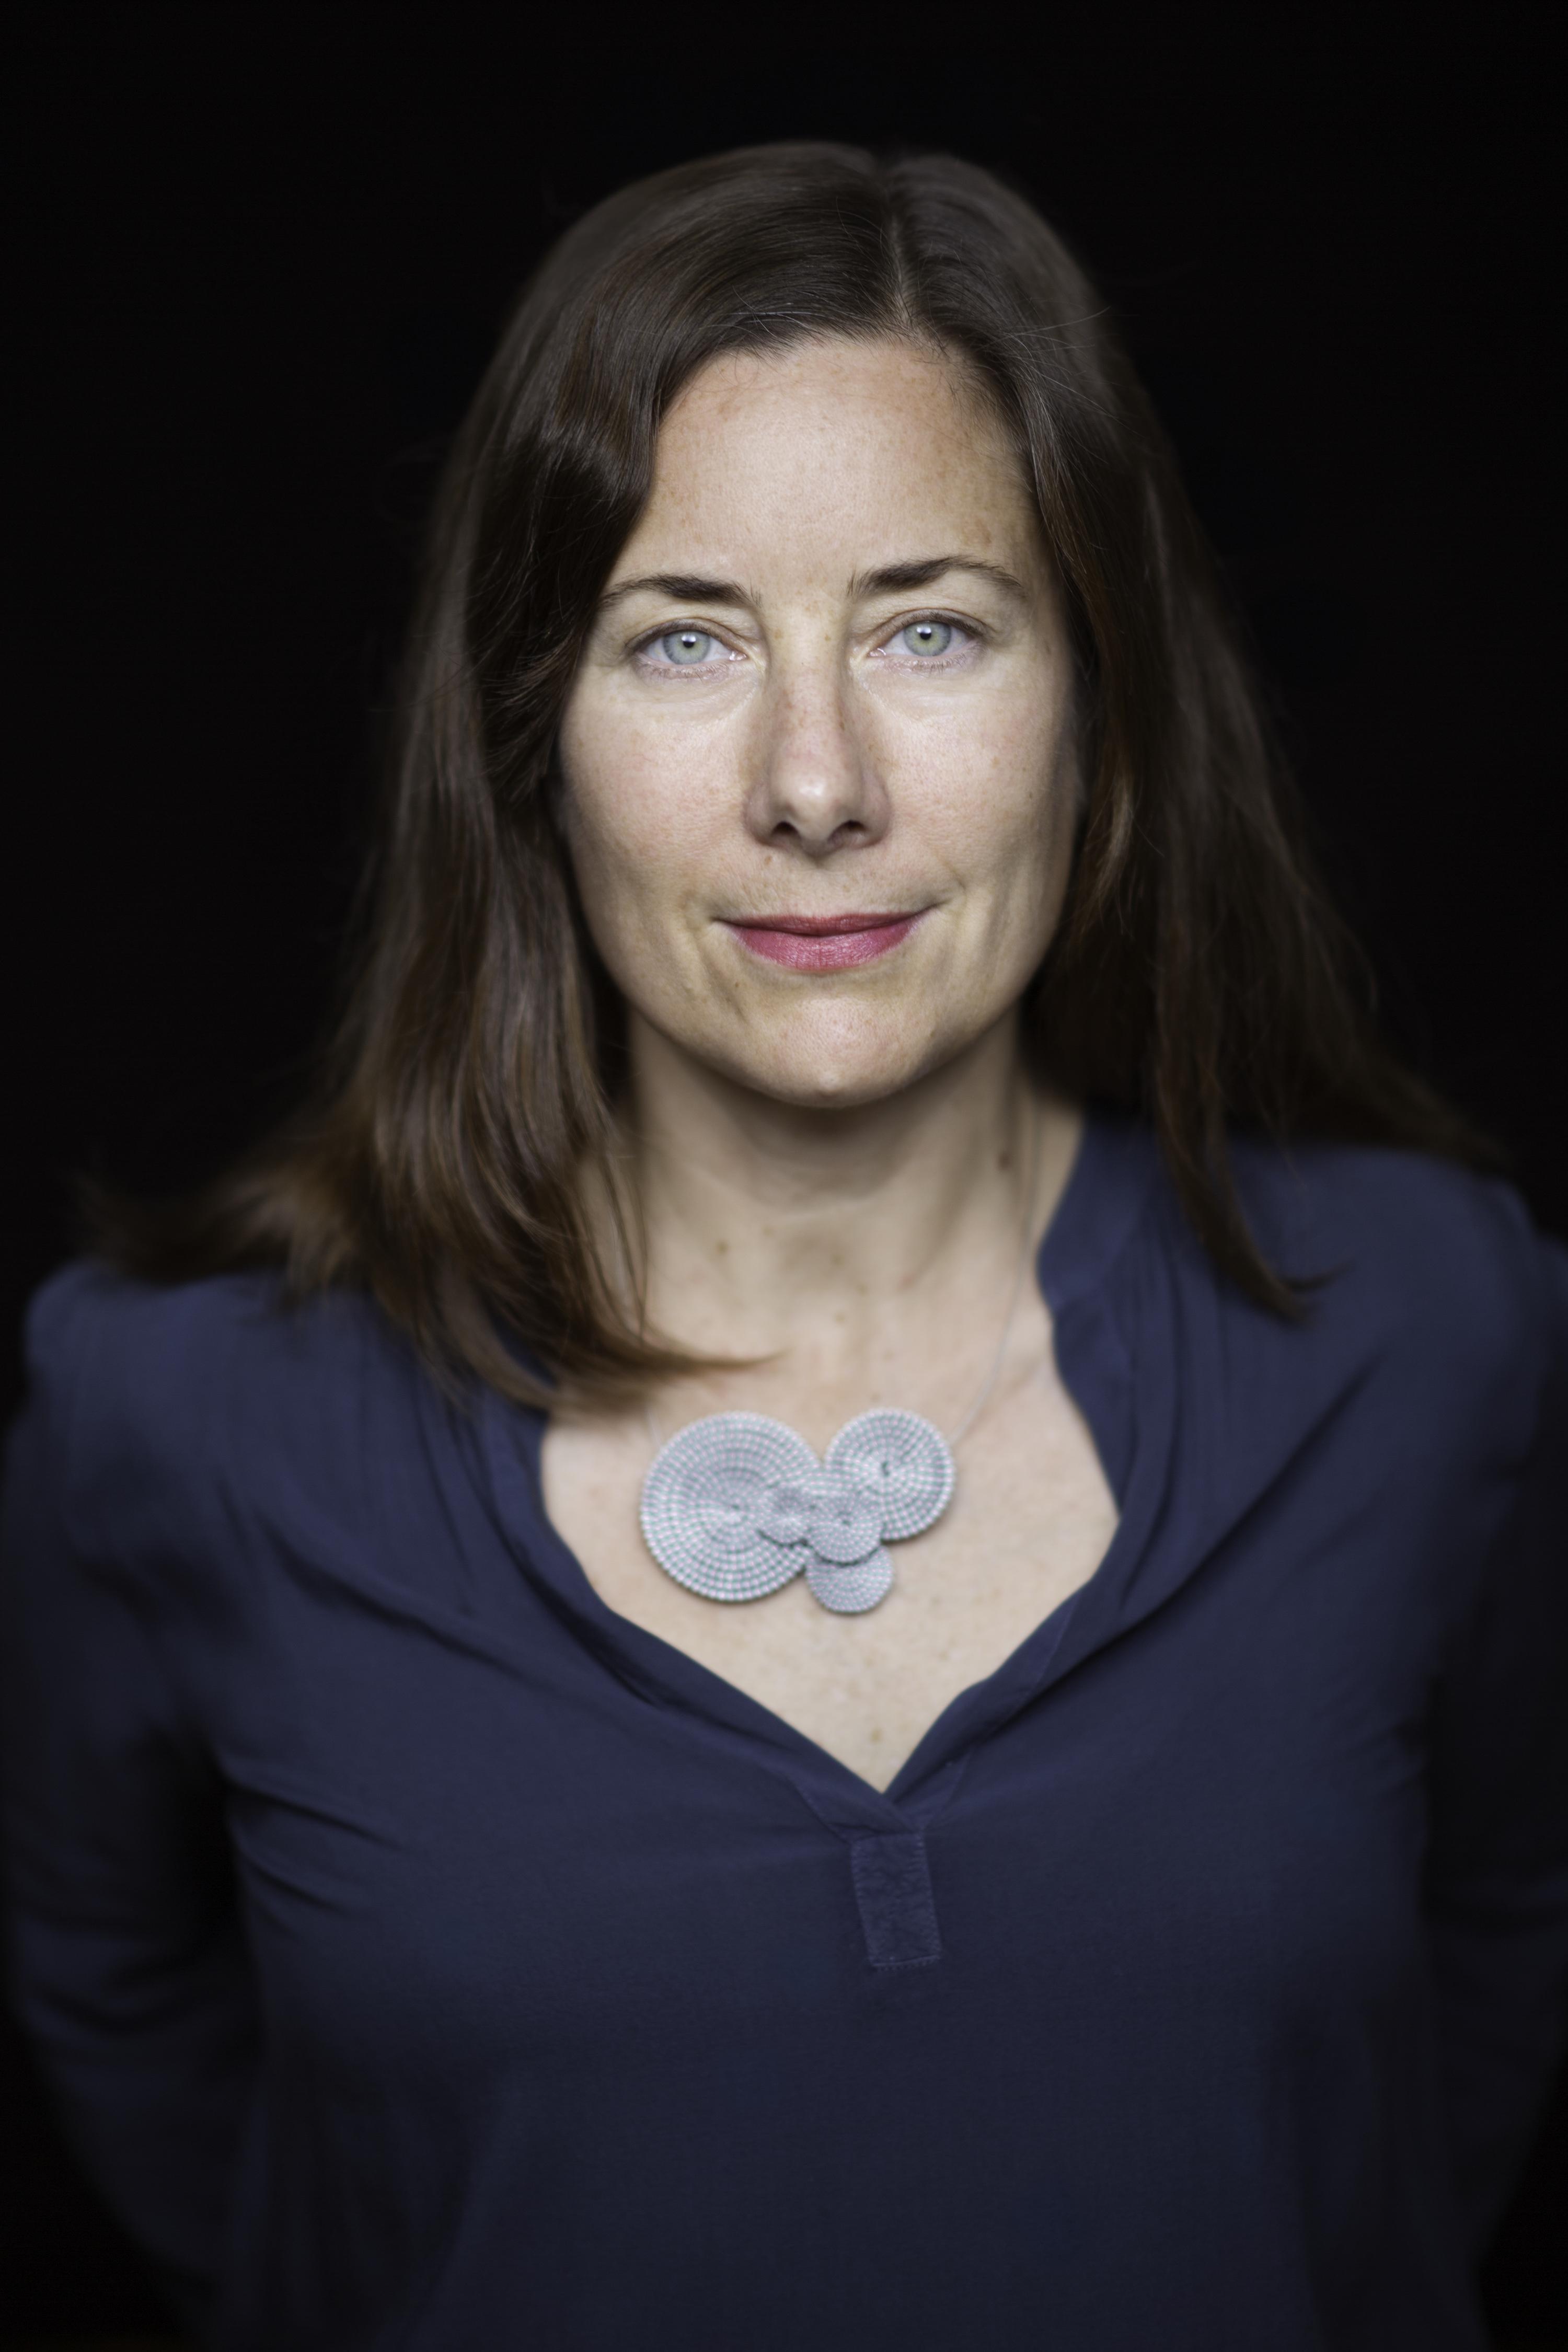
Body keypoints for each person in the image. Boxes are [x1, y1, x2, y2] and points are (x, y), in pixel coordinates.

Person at [3, 141, 1565, 2352]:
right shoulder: (178, 1407)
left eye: (933, 628)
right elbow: (118, 2004)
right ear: (529, 735)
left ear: (1097, 724)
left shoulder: (1439, 1329)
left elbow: (1486, 1980)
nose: (815, 782)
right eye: (684, 639)